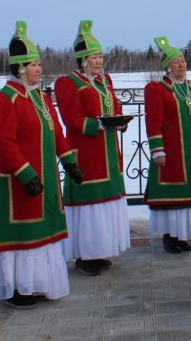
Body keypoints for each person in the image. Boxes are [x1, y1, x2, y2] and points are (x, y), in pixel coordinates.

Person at [0, 21, 84, 308]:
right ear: (19, 68)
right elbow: (5, 143)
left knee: (43, 236)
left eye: (40, 64)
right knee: (24, 236)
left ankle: (39, 283)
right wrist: (26, 174)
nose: (39, 69)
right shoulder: (6, 100)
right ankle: (18, 287)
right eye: (32, 65)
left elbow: (56, 130)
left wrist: (69, 162)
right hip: (20, 183)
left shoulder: (41, 97)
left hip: (47, 180)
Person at [53, 20, 130, 276]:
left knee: (105, 204)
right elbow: (71, 119)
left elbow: (115, 106)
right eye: (94, 56)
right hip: (86, 152)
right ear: (82, 59)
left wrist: (119, 121)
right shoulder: (67, 83)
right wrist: (97, 124)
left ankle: (100, 251)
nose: (99, 61)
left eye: (100, 56)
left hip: (108, 152)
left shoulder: (105, 80)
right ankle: (84, 256)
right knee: (90, 206)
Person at [144, 36, 191, 253]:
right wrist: (158, 149)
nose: (181, 64)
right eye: (176, 62)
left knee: (190, 197)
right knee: (173, 198)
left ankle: (182, 236)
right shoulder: (159, 89)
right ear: (167, 67)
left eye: (183, 60)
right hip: (172, 153)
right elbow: (153, 121)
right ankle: (169, 236)